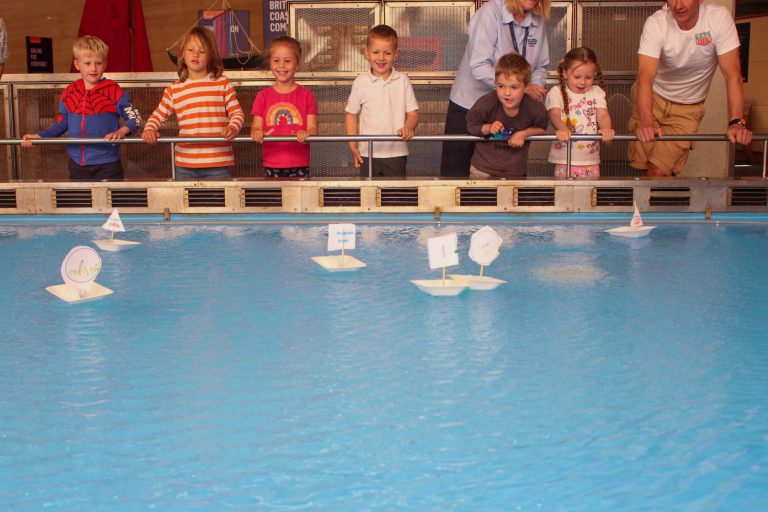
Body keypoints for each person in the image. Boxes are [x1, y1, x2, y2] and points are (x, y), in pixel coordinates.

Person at [629, 0, 753, 177]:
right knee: (641, 164)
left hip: (687, 108)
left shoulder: (718, 19)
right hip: (652, 97)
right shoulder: (656, 23)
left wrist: (736, 122)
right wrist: (647, 122)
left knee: (658, 171)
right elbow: (645, 78)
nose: (678, 5)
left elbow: (732, 74)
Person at [441, 0, 551, 178]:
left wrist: (533, 87)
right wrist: (521, 87)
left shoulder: (537, 18)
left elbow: (540, 65)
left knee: (507, 172)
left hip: (511, 109)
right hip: (470, 104)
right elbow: (479, 66)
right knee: (456, 175)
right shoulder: (490, 12)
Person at [21, 36, 141, 181]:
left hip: (108, 165)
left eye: (98, 63)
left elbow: (135, 118)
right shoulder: (69, 92)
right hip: (77, 165)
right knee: (78, 196)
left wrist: (121, 131)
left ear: (105, 64)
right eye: (87, 63)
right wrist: (39, 136)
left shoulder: (115, 91)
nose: (93, 68)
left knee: (109, 197)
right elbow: (60, 124)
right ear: (77, 64)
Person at [142, 26, 244, 180]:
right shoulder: (174, 89)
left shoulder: (223, 84)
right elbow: (157, 116)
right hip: (185, 163)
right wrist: (150, 129)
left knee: (217, 196)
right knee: (185, 196)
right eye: (190, 50)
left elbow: (237, 113)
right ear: (182, 54)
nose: (195, 54)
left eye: (202, 51)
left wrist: (233, 127)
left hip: (217, 161)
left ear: (211, 56)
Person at [344, 25, 419, 178]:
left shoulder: (403, 81)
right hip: (368, 152)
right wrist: (353, 145)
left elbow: (413, 114)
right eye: (375, 52)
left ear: (396, 54)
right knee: (369, 191)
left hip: (396, 152)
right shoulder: (360, 82)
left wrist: (408, 127)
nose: (381, 58)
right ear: (366, 53)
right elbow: (351, 114)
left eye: (387, 53)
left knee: (395, 192)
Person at [465, 53, 548, 179]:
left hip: (515, 173)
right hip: (482, 171)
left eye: (514, 87)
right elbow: (471, 125)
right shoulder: (485, 104)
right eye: (501, 86)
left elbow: (541, 128)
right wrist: (488, 128)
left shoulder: (535, 109)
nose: (507, 93)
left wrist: (523, 134)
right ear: (495, 83)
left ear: (526, 87)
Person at [251, 36, 318, 179]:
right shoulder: (262, 96)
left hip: (299, 161)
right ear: (270, 63)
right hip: (272, 162)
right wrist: (257, 132)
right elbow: (256, 127)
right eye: (276, 60)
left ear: (297, 64)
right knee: (275, 194)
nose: (281, 65)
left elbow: (313, 128)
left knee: (300, 194)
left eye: (287, 61)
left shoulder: (307, 96)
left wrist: (306, 133)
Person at [546, 47, 614, 179]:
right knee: (564, 191)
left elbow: (602, 114)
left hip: (590, 160)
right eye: (577, 77)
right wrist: (562, 128)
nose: (582, 82)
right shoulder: (556, 92)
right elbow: (554, 114)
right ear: (565, 73)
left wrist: (606, 128)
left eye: (588, 77)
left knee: (590, 191)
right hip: (564, 159)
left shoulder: (596, 92)